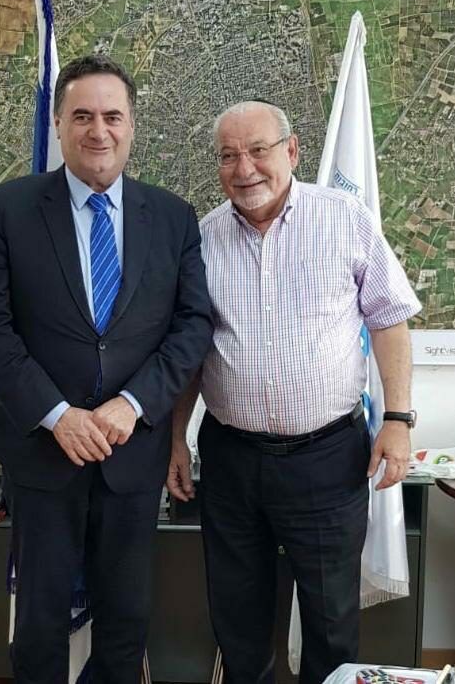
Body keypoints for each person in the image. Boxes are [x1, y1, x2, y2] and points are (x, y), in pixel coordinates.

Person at [0, 55, 213, 684]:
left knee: (126, 619)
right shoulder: (8, 209)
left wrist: (132, 404)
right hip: (43, 456)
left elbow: (192, 326)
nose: (97, 130)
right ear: (57, 124)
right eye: (81, 116)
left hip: (133, 455)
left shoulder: (173, 218)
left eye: (112, 116)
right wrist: (58, 415)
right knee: (41, 621)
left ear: (131, 125)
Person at [167, 100, 421, 684]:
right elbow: (190, 350)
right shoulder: (201, 240)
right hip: (231, 458)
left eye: (258, 151)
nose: (244, 169)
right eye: (228, 156)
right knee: (239, 618)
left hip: (326, 458)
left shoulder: (345, 218)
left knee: (331, 622)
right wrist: (176, 437)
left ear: (292, 151)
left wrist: (398, 420)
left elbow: (389, 320)